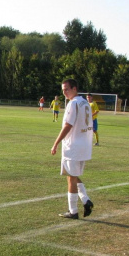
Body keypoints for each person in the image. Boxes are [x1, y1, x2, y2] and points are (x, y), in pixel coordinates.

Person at [51, 79, 94, 219]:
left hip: (73, 146)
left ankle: (73, 211)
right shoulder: (85, 102)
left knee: (71, 178)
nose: (64, 92)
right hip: (84, 146)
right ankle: (86, 200)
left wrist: (56, 143)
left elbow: (68, 126)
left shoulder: (73, 103)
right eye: (63, 90)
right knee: (73, 175)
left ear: (75, 88)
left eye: (67, 89)